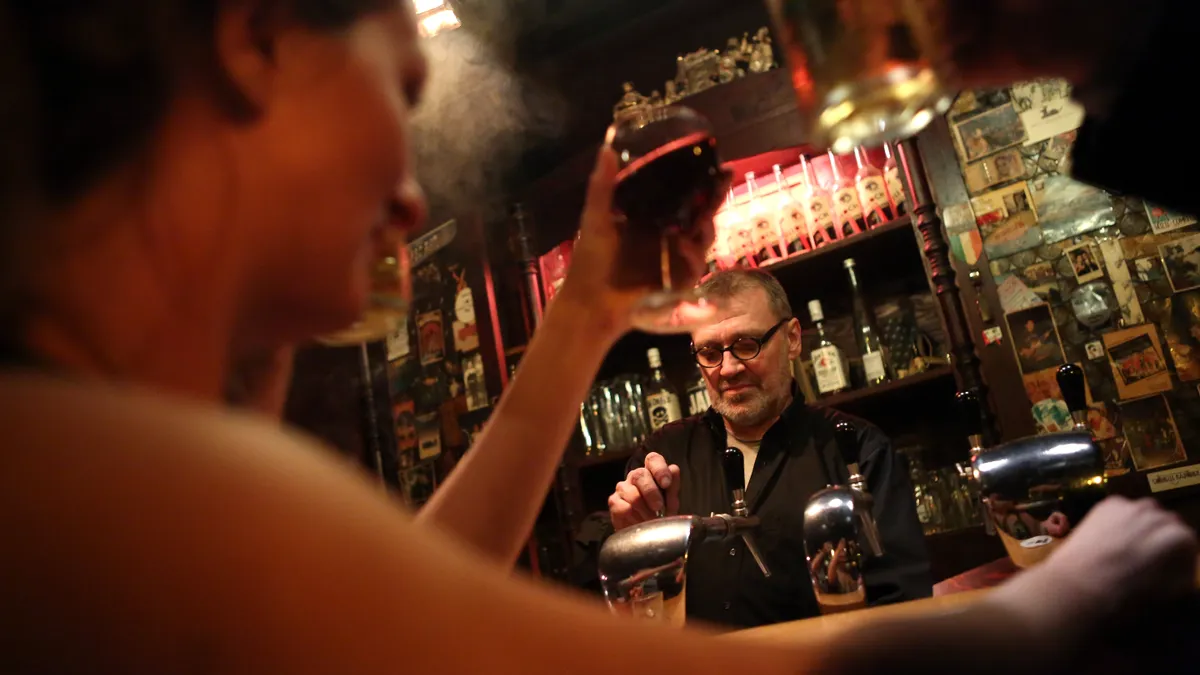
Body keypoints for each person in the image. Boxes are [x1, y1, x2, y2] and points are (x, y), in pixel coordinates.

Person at [0, 2, 1196, 675]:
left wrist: (587, 312)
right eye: (403, 89)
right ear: (255, 37)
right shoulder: (69, 477)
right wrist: (1056, 603)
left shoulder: (93, 443)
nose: (415, 201)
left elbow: (417, 595)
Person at [609, 269, 931, 628]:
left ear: (793, 338)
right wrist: (629, 541)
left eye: (747, 344)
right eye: (710, 352)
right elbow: (636, 611)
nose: (727, 369)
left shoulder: (859, 448)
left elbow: (904, 605)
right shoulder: (662, 456)